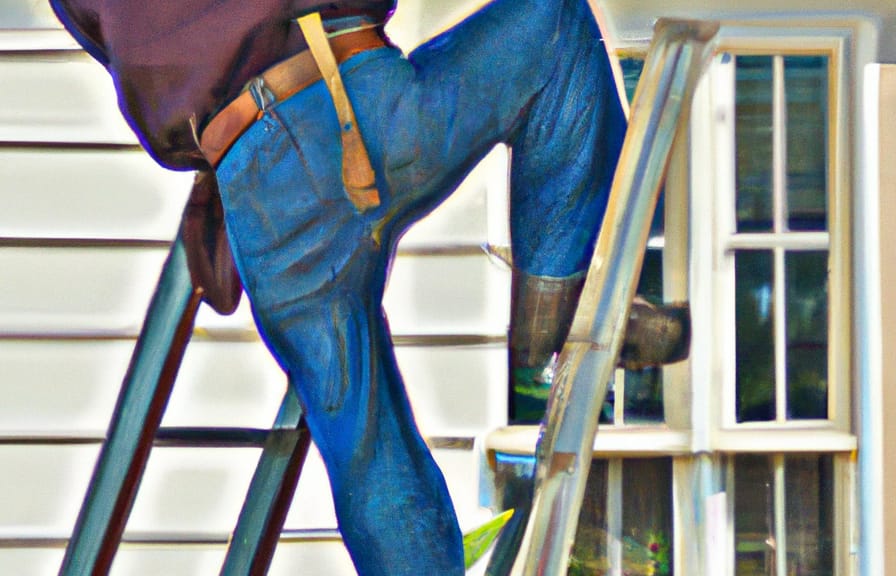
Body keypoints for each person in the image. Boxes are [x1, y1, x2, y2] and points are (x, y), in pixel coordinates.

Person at [50, 1, 688, 574]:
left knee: (366, 457)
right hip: (343, 98)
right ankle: (555, 295)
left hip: (248, 182)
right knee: (552, 25)